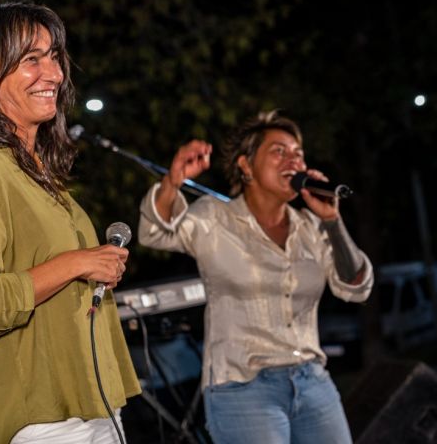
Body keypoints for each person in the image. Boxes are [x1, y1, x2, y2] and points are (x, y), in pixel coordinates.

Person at [0, 0, 140, 444]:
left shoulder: (37, 171)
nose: (55, 73)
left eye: (54, 56)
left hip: (91, 403)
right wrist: (77, 263)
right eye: (31, 60)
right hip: (41, 421)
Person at [138, 110, 373, 444]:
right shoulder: (215, 218)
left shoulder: (310, 228)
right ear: (246, 166)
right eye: (278, 151)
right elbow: (155, 233)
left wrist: (332, 221)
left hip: (312, 381)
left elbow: (355, 285)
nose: (292, 160)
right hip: (242, 388)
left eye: (298, 154)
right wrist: (172, 182)